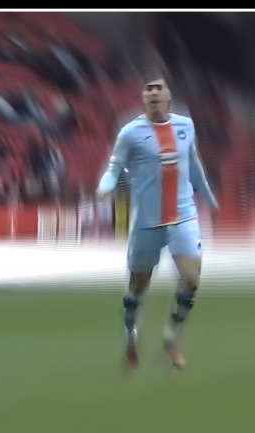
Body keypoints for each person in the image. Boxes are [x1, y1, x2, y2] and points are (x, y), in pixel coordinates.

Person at [95, 74, 219, 372]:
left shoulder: (185, 126)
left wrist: (209, 197)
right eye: (148, 89)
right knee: (137, 287)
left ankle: (171, 337)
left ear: (168, 96)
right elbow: (113, 168)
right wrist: (104, 186)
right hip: (147, 224)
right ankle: (131, 333)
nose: (152, 93)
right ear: (144, 98)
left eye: (158, 88)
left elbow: (194, 164)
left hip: (183, 218)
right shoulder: (129, 132)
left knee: (191, 281)